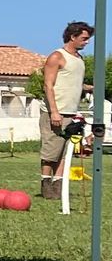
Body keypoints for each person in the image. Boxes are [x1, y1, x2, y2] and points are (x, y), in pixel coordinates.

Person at [41, 20, 93, 201]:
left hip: (71, 112)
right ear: (73, 37)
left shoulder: (79, 59)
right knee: (51, 152)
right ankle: (46, 184)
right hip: (56, 112)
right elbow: (48, 85)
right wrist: (54, 112)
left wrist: (90, 88)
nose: (87, 42)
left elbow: (74, 83)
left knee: (65, 151)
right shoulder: (57, 56)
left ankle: (58, 185)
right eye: (84, 38)